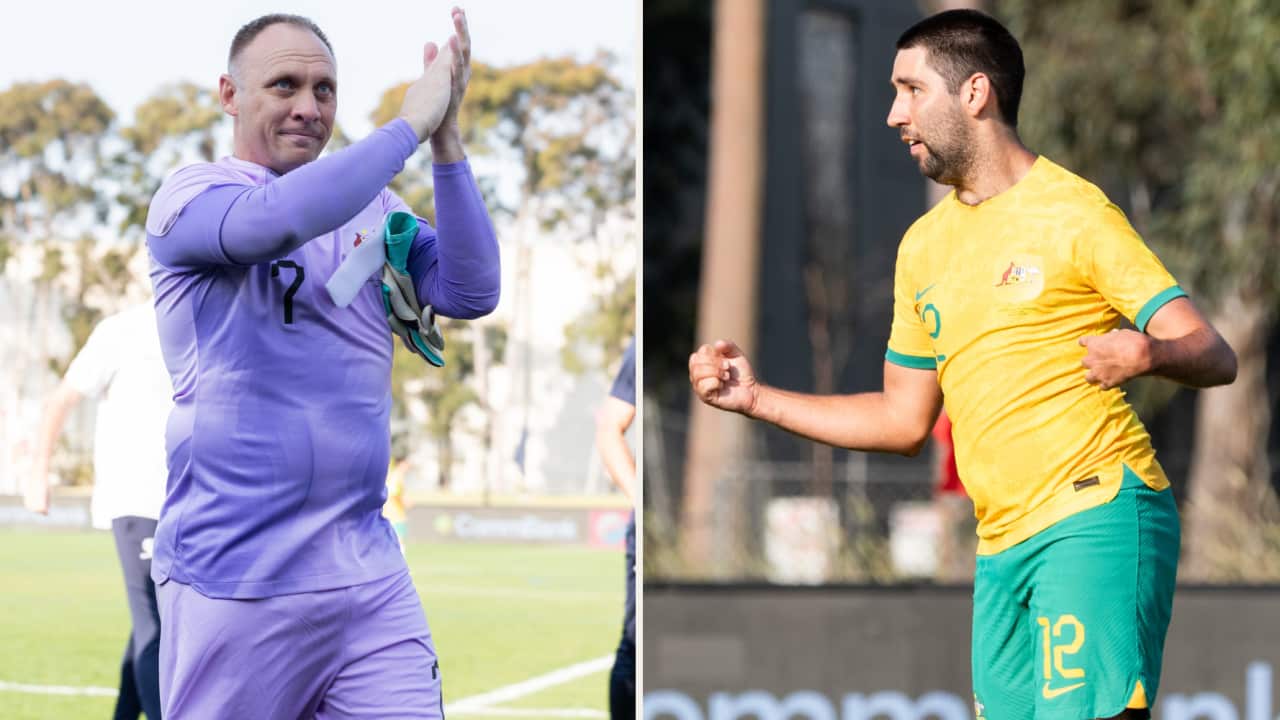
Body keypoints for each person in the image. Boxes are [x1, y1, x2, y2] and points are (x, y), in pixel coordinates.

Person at [688, 9, 1237, 720]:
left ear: (975, 93)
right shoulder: (923, 247)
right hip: (1000, 546)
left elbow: (1214, 352)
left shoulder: (1075, 214)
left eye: (910, 90)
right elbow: (901, 418)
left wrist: (1152, 351)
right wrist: (756, 398)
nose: (893, 114)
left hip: (1095, 513)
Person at [143, 9, 498, 718]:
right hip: (235, 580)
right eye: (284, 85)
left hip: (365, 580)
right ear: (229, 94)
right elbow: (274, 221)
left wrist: (446, 141)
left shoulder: (374, 207)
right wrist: (404, 130)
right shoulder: (191, 198)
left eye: (325, 90)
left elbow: (471, 289)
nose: (309, 107)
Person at [25, 300, 172, 720]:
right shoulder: (121, 330)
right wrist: (38, 471)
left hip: (185, 505)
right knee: (155, 628)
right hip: (137, 500)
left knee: (153, 623)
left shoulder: (203, 322)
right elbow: (61, 400)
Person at [595, 337, 636, 720]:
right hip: (643, 535)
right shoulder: (638, 345)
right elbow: (609, 425)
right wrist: (639, 494)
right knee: (634, 647)